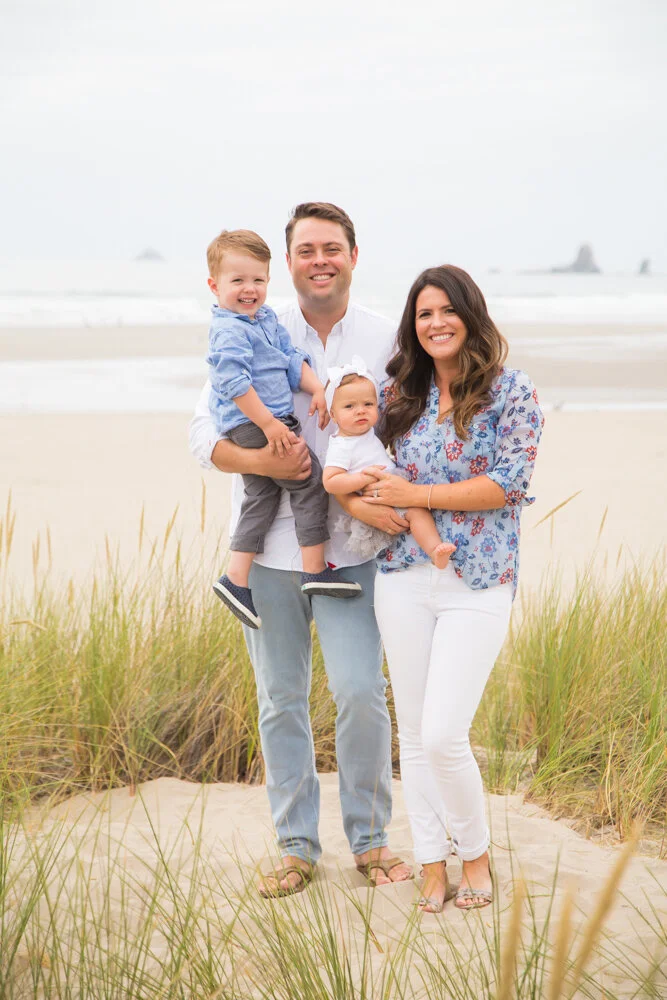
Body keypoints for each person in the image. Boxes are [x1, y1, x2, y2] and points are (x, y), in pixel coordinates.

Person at [189, 203, 413, 897]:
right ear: (288, 263)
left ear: (352, 255)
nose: (319, 259)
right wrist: (267, 465)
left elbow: (409, 430)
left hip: (350, 553)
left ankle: (370, 842)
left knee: (360, 693)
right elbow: (205, 438)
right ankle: (295, 847)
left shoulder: (383, 337)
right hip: (271, 558)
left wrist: (389, 493)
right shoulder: (251, 323)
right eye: (306, 249)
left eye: (332, 248)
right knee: (280, 701)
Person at [356, 265, 544, 913]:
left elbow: (507, 483)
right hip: (401, 576)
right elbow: (355, 460)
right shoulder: (395, 395)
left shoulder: (511, 392)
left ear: (469, 313)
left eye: (445, 310)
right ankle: (433, 866)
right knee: (412, 735)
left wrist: (417, 494)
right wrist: (366, 504)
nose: (434, 323)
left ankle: (476, 855)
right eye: (422, 314)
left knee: (442, 734)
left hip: (480, 580)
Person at [205, 228, 361, 630]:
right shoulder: (230, 330)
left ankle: (236, 578)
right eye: (237, 280)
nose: (249, 289)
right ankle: (315, 572)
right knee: (308, 480)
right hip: (254, 424)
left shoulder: (264, 320)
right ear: (214, 285)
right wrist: (271, 425)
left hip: (264, 422)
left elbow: (292, 360)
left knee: (262, 497)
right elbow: (235, 384)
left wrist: (318, 390)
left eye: (257, 280)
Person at [322, 357, 455, 568]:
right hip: (377, 495)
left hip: (389, 486)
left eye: (368, 404)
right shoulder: (341, 445)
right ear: (333, 414)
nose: (360, 410)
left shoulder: (365, 433)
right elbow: (330, 481)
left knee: (417, 511)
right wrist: (361, 479)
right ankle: (434, 550)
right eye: (349, 406)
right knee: (416, 513)